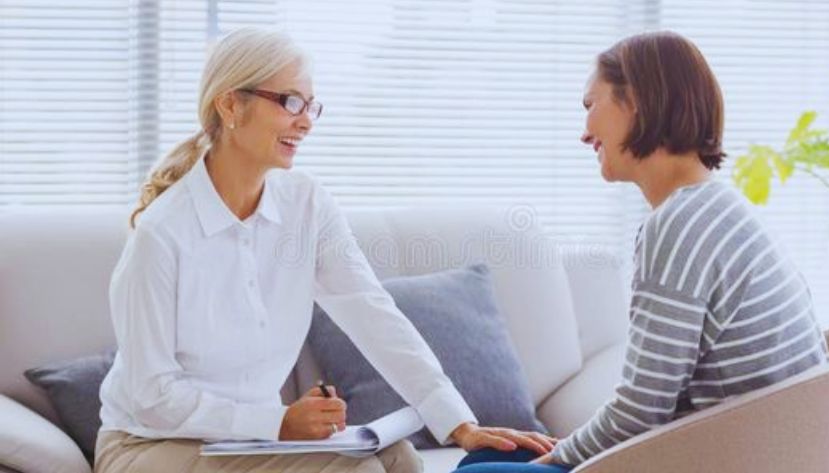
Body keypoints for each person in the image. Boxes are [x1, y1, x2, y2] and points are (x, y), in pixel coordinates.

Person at [94, 27, 555, 473]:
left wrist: (458, 424)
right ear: (230, 104)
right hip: (148, 446)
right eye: (290, 102)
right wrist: (277, 422)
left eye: (311, 105)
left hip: (244, 442)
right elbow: (152, 398)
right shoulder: (161, 235)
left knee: (400, 460)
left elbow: (373, 313)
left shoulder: (307, 206)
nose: (306, 121)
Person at [454, 30, 829, 473]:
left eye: (590, 105)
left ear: (636, 100)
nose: (584, 133)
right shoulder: (716, 206)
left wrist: (559, 457)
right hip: (756, 450)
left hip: (731, 460)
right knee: (487, 457)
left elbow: (640, 412)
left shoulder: (679, 225)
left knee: (477, 472)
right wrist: (562, 451)